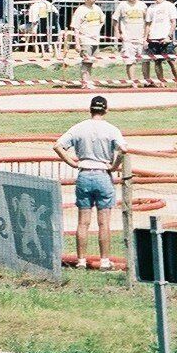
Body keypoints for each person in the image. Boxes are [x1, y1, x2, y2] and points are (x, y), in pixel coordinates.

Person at [54, 96, 126, 271]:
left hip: (84, 174)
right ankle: (104, 261)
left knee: (83, 222)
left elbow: (58, 146)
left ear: (90, 109)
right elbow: (123, 149)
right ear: (106, 110)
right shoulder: (111, 129)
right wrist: (114, 166)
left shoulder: (79, 127)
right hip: (103, 174)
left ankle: (81, 261)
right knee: (104, 222)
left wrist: (72, 162)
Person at [70, 0, 106, 89]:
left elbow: (102, 20)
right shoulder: (80, 10)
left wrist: (98, 30)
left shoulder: (97, 8)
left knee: (91, 62)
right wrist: (77, 43)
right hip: (85, 40)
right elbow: (76, 28)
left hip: (95, 40)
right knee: (86, 62)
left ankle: (88, 81)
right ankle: (85, 82)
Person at [144, 0, 177, 86]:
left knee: (171, 61)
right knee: (157, 62)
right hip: (154, 38)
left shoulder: (169, 6)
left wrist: (169, 36)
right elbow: (148, 24)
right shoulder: (151, 8)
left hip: (165, 38)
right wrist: (145, 38)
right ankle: (161, 82)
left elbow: (173, 22)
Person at [114, 0, 148, 86]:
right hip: (128, 38)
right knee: (130, 62)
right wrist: (117, 32)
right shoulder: (122, 5)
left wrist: (146, 36)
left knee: (145, 61)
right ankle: (133, 83)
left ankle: (147, 81)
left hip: (141, 37)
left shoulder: (143, 5)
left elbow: (147, 21)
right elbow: (115, 19)